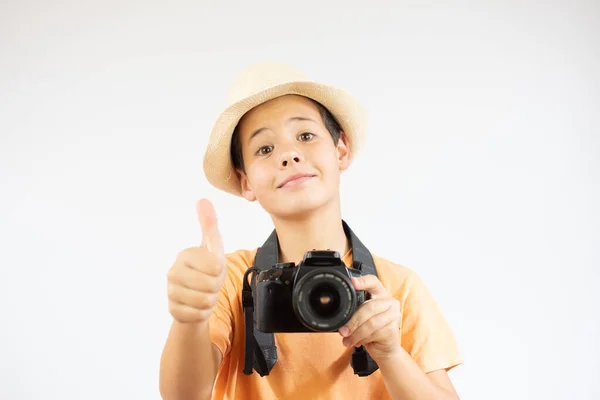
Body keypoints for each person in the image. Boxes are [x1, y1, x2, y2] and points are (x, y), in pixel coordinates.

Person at [159, 62, 463, 400]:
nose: (288, 155)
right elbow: (183, 397)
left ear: (341, 150)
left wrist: (391, 354)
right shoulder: (231, 280)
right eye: (265, 149)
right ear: (246, 182)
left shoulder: (397, 287)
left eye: (305, 136)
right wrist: (190, 319)